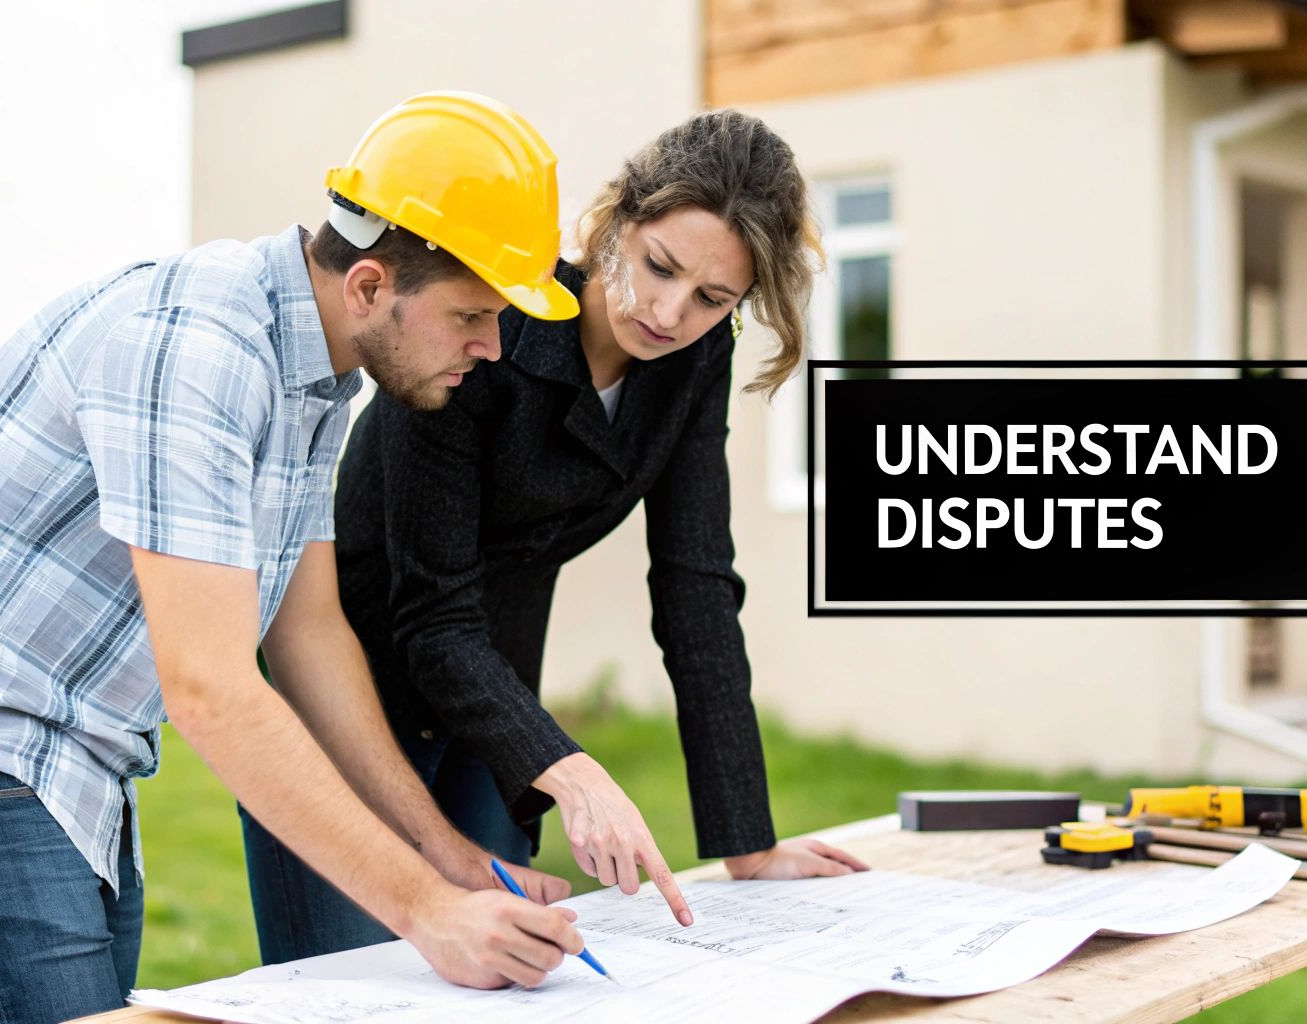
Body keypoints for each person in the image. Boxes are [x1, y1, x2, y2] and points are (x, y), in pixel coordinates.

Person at [0, 92, 590, 1024]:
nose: (491, 345)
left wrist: (450, 859)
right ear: (368, 287)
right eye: (473, 314)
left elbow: (309, 634)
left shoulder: (318, 379)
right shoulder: (198, 347)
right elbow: (210, 688)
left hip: (70, 770)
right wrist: (428, 915)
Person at [242, 108, 870, 963]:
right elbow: (431, 612)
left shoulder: (694, 360)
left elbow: (696, 583)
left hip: (492, 706)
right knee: (351, 989)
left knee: (510, 978)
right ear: (615, 222)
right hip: (353, 690)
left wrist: (746, 841)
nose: (670, 312)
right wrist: (568, 769)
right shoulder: (485, 325)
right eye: (659, 266)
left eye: (712, 298)